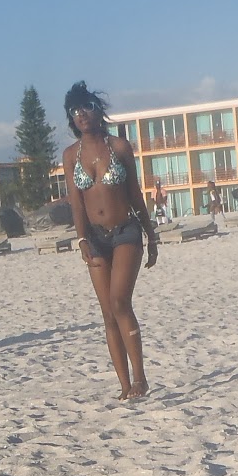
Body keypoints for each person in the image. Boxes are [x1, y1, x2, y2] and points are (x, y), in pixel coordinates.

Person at [61, 82, 158, 403]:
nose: (81, 115)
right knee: (107, 313)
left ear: (97, 109)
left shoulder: (119, 147)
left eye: (87, 107)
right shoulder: (70, 155)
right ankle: (124, 384)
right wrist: (81, 239)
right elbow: (77, 204)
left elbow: (135, 194)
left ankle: (140, 377)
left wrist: (151, 235)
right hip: (94, 237)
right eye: (75, 111)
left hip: (125, 230)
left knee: (119, 302)